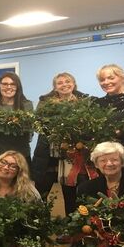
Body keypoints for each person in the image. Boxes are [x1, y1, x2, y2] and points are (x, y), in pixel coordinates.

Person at [31, 72, 91, 215]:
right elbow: (37, 124)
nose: (64, 85)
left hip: (71, 157)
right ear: (55, 87)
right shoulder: (45, 102)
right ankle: (38, 225)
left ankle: (71, 229)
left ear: (74, 84)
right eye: (60, 83)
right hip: (48, 155)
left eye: (67, 81)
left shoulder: (84, 101)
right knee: (41, 193)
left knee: (70, 194)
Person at [0, 72, 34, 174]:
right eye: (4, 84)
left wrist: (0, 126)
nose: (8, 87)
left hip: (20, 154)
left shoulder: (27, 105)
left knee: (20, 188)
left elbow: (29, 129)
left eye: (13, 84)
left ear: (18, 86)